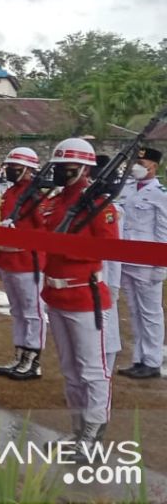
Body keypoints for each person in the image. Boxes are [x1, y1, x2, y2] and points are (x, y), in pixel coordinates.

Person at [36, 137, 118, 450]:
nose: (59, 171)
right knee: (70, 371)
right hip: (56, 296)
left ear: (83, 168)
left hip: (85, 296)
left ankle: (94, 433)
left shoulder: (97, 203)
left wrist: (69, 249)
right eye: (57, 165)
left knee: (92, 369)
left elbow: (108, 246)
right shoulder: (55, 202)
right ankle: (77, 429)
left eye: (65, 166)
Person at [0, 147, 46, 380]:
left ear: (28, 170)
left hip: (27, 261)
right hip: (9, 259)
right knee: (16, 311)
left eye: (15, 166)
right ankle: (20, 352)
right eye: (9, 166)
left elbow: (44, 228)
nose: (10, 170)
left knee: (32, 311)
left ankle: (32, 358)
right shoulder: (12, 192)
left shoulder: (35, 196)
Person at [115, 147, 167, 380]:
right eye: (136, 160)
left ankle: (153, 361)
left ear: (153, 166)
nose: (137, 165)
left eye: (142, 161)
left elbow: (163, 231)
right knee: (135, 312)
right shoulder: (126, 190)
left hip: (147, 263)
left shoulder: (160, 194)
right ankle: (139, 358)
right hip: (126, 259)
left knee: (151, 313)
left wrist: (160, 265)